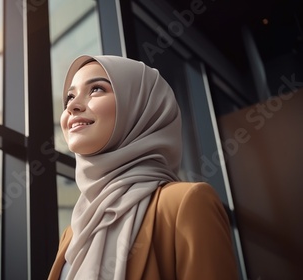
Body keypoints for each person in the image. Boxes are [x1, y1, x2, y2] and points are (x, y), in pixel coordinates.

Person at [48, 55, 239, 280]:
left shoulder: (184, 204)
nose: (72, 105)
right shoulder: (73, 233)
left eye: (96, 89)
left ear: (139, 106)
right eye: (69, 96)